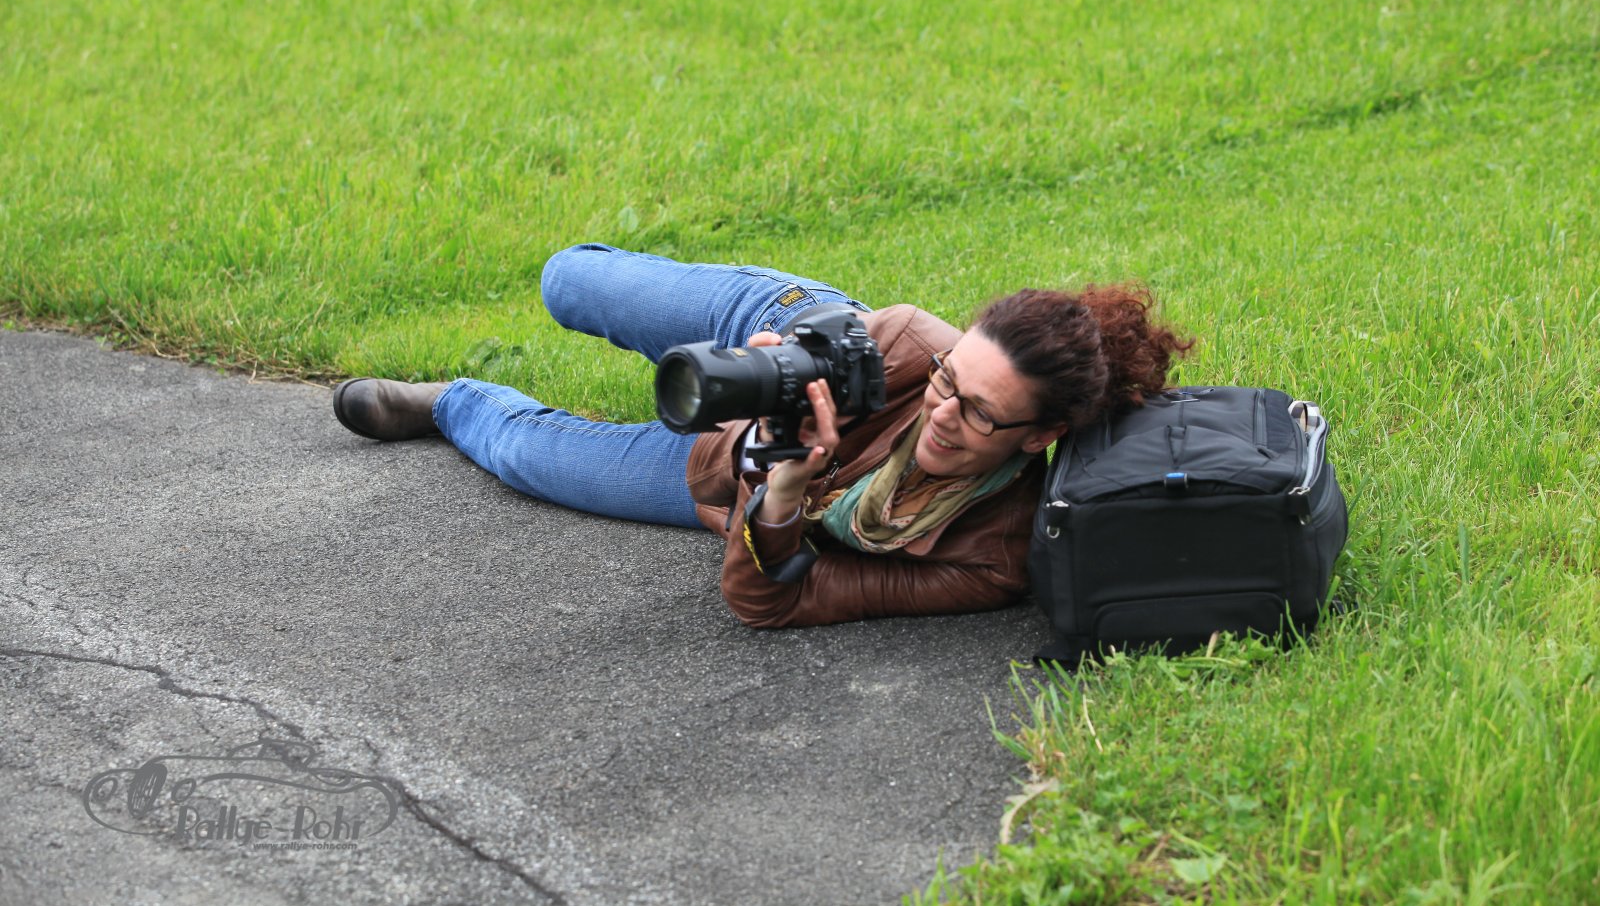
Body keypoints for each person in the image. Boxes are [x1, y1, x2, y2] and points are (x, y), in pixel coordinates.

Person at [332, 243, 1192, 628]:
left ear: (1038, 436)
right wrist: (765, 373)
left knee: (526, 456)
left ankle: (450, 401)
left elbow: (768, 599)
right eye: (947, 381)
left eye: (976, 412)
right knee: (568, 281)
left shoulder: (988, 556)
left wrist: (780, 481)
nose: (941, 412)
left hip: (741, 481)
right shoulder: (903, 346)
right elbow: (901, 367)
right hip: (783, 328)